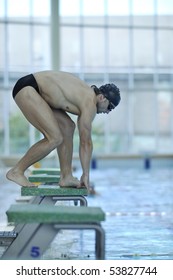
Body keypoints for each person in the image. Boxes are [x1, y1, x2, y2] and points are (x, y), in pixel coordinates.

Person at [6, 71, 120, 189]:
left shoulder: (86, 96)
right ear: (101, 97)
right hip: (28, 89)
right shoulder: (90, 103)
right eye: (110, 107)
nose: (107, 112)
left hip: (38, 92)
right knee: (54, 138)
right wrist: (86, 174)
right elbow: (85, 143)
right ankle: (16, 171)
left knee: (68, 127)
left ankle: (66, 177)